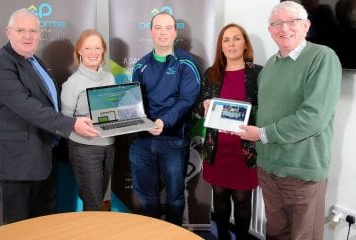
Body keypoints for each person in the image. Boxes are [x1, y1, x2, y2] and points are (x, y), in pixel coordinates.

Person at [235, 1, 342, 239]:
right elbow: (264, 113)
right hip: (269, 167)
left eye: (291, 21)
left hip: (301, 171)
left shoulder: (322, 58)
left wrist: (262, 134)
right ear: (270, 29)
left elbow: (313, 118)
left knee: (303, 235)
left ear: (306, 25)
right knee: (276, 232)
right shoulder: (270, 66)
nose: (284, 28)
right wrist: (225, 114)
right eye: (277, 23)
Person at [0, 8, 100, 224]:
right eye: (21, 30)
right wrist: (72, 124)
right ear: (9, 32)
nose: (28, 36)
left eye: (33, 31)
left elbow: (50, 103)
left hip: (44, 158)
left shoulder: (35, 61)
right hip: (16, 164)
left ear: (40, 33)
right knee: (18, 230)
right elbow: (27, 107)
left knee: (44, 227)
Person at [129, 12, 201, 226]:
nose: (163, 32)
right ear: (151, 32)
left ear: (175, 32)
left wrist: (163, 122)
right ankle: (154, 232)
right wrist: (143, 123)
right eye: (158, 28)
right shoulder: (140, 66)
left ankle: (173, 232)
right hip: (143, 140)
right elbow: (134, 102)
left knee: (175, 196)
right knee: (145, 194)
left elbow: (188, 99)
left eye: (168, 28)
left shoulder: (187, 64)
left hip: (173, 140)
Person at [196, 23, 262, 240]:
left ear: (245, 44)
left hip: (244, 150)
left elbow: (265, 109)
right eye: (226, 40)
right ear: (220, 47)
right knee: (220, 199)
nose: (231, 44)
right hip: (217, 150)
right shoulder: (212, 73)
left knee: (243, 200)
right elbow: (198, 107)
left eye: (236, 38)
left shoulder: (257, 74)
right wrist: (204, 106)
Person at [61, 29, 115, 211]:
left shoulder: (109, 77)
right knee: (92, 203)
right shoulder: (72, 83)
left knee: (99, 199)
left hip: (109, 145)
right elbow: (64, 120)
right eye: (88, 48)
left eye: (97, 48)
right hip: (84, 148)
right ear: (79, 51)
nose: (93, 53)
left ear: (103, 51)